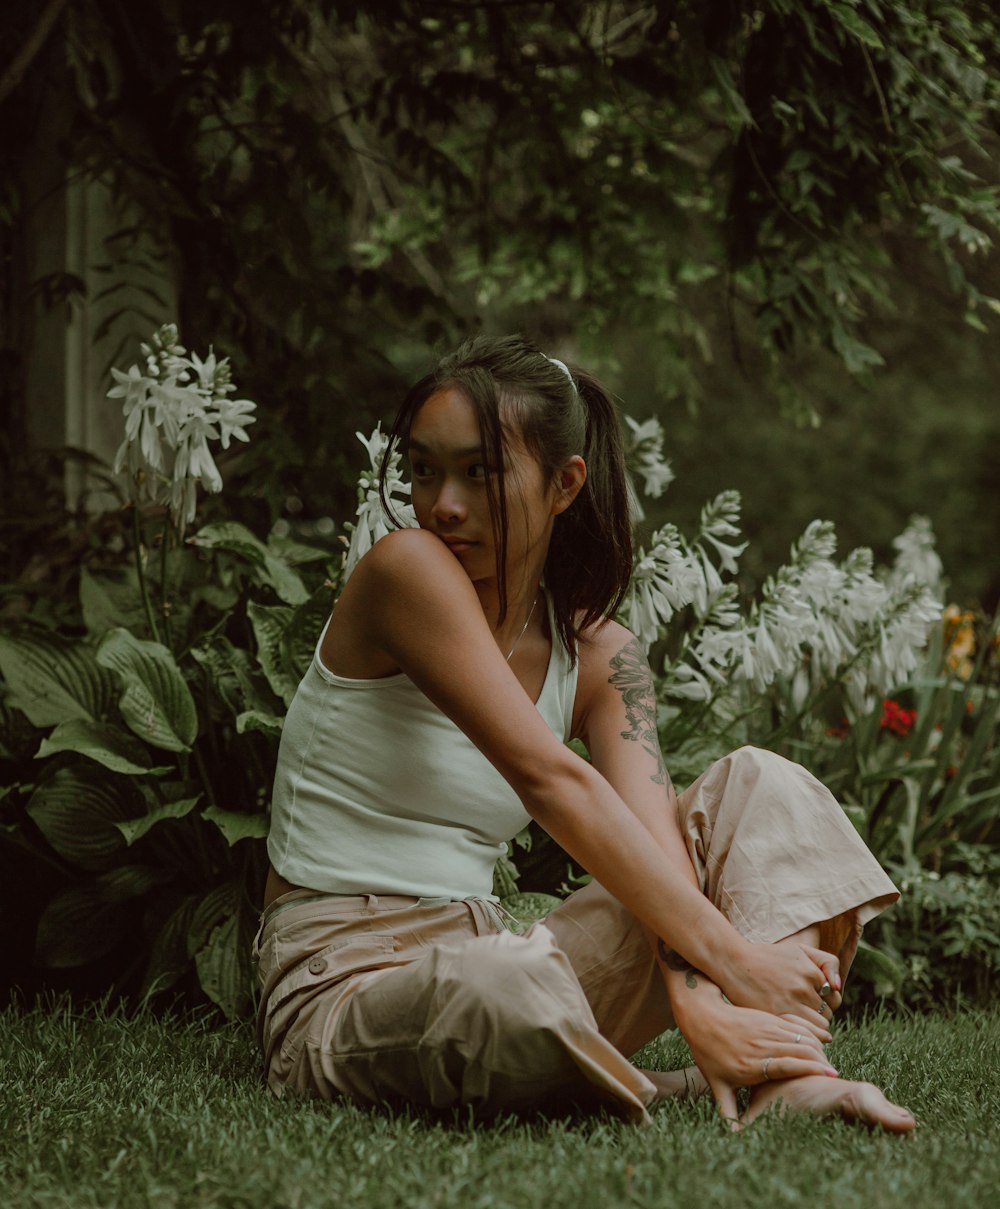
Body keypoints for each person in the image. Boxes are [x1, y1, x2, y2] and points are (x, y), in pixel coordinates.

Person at [254, 335, 915, 1132]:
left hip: (497, 947)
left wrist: (697, 998)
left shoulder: (603, 654)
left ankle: (778, 1072)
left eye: (478, 471)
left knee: (763, 784)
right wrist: (735, 961)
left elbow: (655, 837)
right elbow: (551, 779)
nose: (443, 504)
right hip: (346, 982)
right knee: (505, 984)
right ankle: (658, 1065)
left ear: (564, 483)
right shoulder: (406, 569)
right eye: (425, 470)